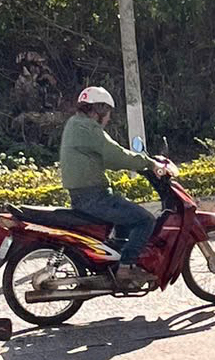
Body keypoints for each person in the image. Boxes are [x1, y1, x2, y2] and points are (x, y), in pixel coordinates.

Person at [59, 84, 159, 271]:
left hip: (85, 196)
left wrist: (136, 163)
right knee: (145, 220)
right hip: (94, 198)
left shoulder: (74, 124)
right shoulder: (88, 128)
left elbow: (109, 160)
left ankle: (113, 260)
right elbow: (116, 155)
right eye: (108, 112)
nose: (109, 118)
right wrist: (150, 163)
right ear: (99, 109)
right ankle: (126, 266)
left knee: (124, 211)